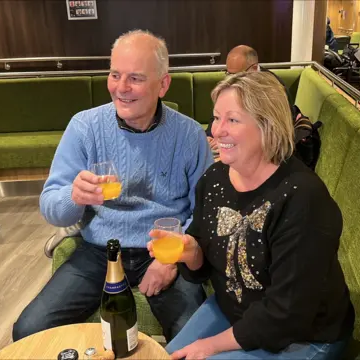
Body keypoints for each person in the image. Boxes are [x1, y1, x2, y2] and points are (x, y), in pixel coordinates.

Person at [12, 30, 213, 342]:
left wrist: (169, 259)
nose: (121, 88)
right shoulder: (85, 127)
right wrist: (73, 195)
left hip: (159, 248)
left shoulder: (189, 136)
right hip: (99, 251)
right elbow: (52, 208)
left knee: (193, 338)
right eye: (115, 74)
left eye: (135, 78)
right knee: (28, 329)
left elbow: (205, 211)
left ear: (163, 84)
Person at [150, 71, 355, 359]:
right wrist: (191, 252)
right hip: (235, 311)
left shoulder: (302, 198)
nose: (216, 131)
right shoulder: (214, 179)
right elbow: (205, 258)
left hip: (303, 335)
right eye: (216, 117)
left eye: (232, 120)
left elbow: (287, 313)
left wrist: (210, 346)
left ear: (267, 125)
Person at [206, 45, 302, 148]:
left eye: (238, 75)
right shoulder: (232, 84)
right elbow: (221, 111)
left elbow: (274, 131)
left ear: (254, 68)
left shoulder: (274, 89)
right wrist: (209, 136)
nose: (232, 80)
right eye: (229, 74)